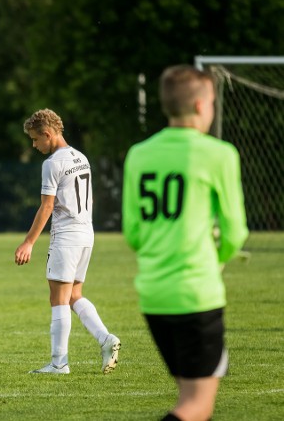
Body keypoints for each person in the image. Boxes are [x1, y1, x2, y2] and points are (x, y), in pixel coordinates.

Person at [122, 65, 248, 421]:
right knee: (196, 406)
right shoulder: (219, 154)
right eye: (211, 103)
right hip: (197, 293)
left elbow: (133, 233)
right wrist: (216, 259)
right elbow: (236, 232)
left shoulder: (139, 154)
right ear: (198, 105)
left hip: (154, 294)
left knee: (188, 399)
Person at [15, 108, 121, 375]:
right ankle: (105, 339)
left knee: (58, 299)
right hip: (87, 233)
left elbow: (47, 206)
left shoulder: (52, 163)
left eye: (35, 139)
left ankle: (59, 363)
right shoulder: (81, 157)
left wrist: (28, 242)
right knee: (74, 295)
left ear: (47, 134)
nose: (34, 144)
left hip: (67, 236)